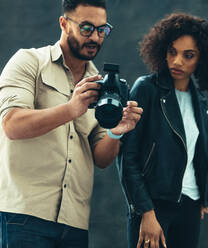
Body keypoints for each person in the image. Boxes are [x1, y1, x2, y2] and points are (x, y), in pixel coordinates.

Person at [0, 0, 142, 247]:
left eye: (102, 30)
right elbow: (11, 124)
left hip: (74, 224)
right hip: (23, 216)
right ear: (64, 23)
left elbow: (101, 157)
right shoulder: (28, 62)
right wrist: (71, 109)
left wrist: (117, 133)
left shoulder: (102, 86)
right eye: (87, 28)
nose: (95, 37)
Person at [117, 13, 208, 248]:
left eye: (188, 55)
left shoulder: (198, 100)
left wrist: (203, 191)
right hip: (153, 204)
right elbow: (127, 157)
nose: (177, 61)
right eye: (172, 52)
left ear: (202, 59)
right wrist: (146, 211)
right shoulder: (147, 89)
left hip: (190, 205)